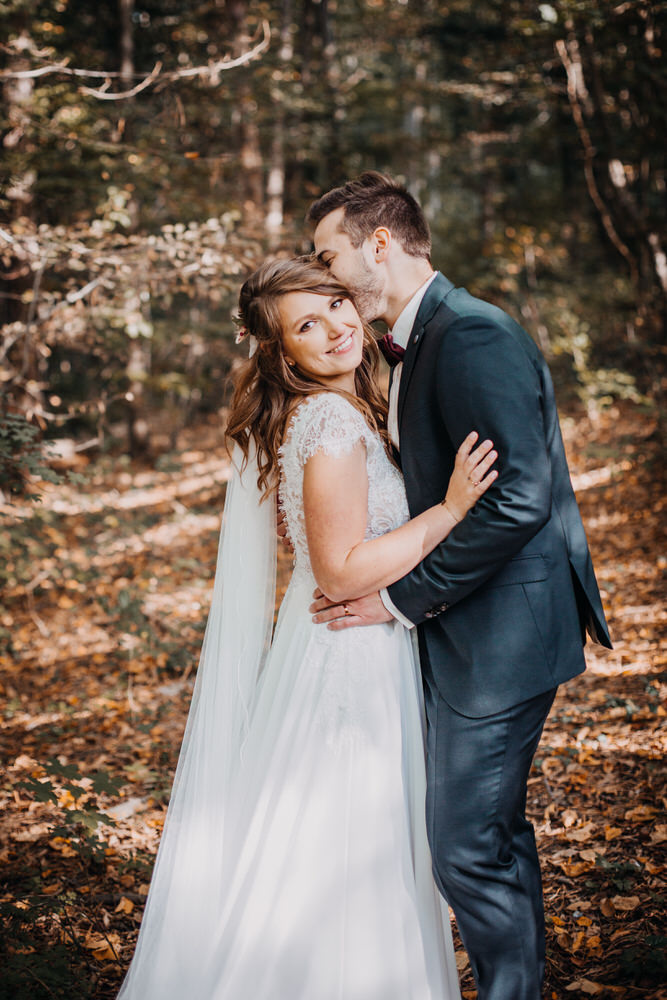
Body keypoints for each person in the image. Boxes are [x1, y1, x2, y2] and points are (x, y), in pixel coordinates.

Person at [117, 256, 499, 999]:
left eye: (333, 305)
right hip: (346, 657)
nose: (333, 330)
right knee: (342, 851)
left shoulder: (348, 406)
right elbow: (342, 573)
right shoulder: (325, 419)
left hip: (352, 648)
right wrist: (448, 511)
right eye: (305, 326)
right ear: (280, 352)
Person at [306, 172, 612, 1000]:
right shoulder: (411, 341)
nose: (327, 277)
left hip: (500, 635)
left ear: (379, 243)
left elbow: (518, 497)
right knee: (491, 834)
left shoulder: (471, 334)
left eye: (330, 255)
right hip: (464, 626)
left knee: (463, 846)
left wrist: (399, 600)